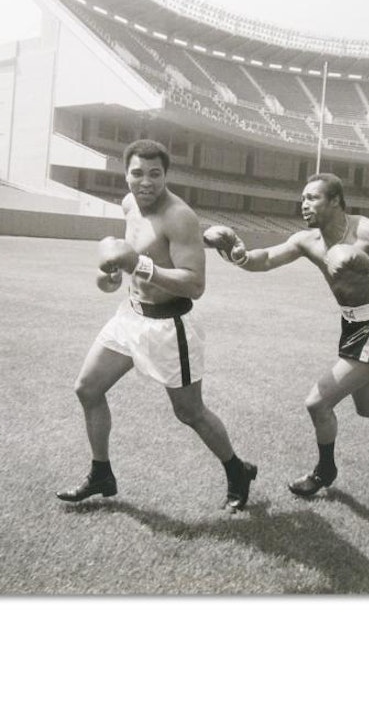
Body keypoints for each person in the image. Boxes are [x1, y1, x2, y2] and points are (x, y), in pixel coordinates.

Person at [204, 172, 369, 497]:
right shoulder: (307, 241)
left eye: (312, 198)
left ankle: (325, 472)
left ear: (336, 200)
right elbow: (266, 259)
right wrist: (237, 254)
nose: (304, 205)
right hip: (352, 326)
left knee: (317, 402)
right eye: (302, 200)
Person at [57, 139, 257, 511]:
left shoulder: (179, 216)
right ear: (126, 174)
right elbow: (128, 259)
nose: (145, 182)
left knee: (189, 412)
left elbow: (195, 284)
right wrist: (114, 275)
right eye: (137, 173)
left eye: (154, 174)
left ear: (166, 175)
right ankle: (101, 473)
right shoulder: (129, 203)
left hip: (170, 327)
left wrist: (139, 265)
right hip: (130, 316)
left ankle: (237, 470)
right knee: (87, 388)